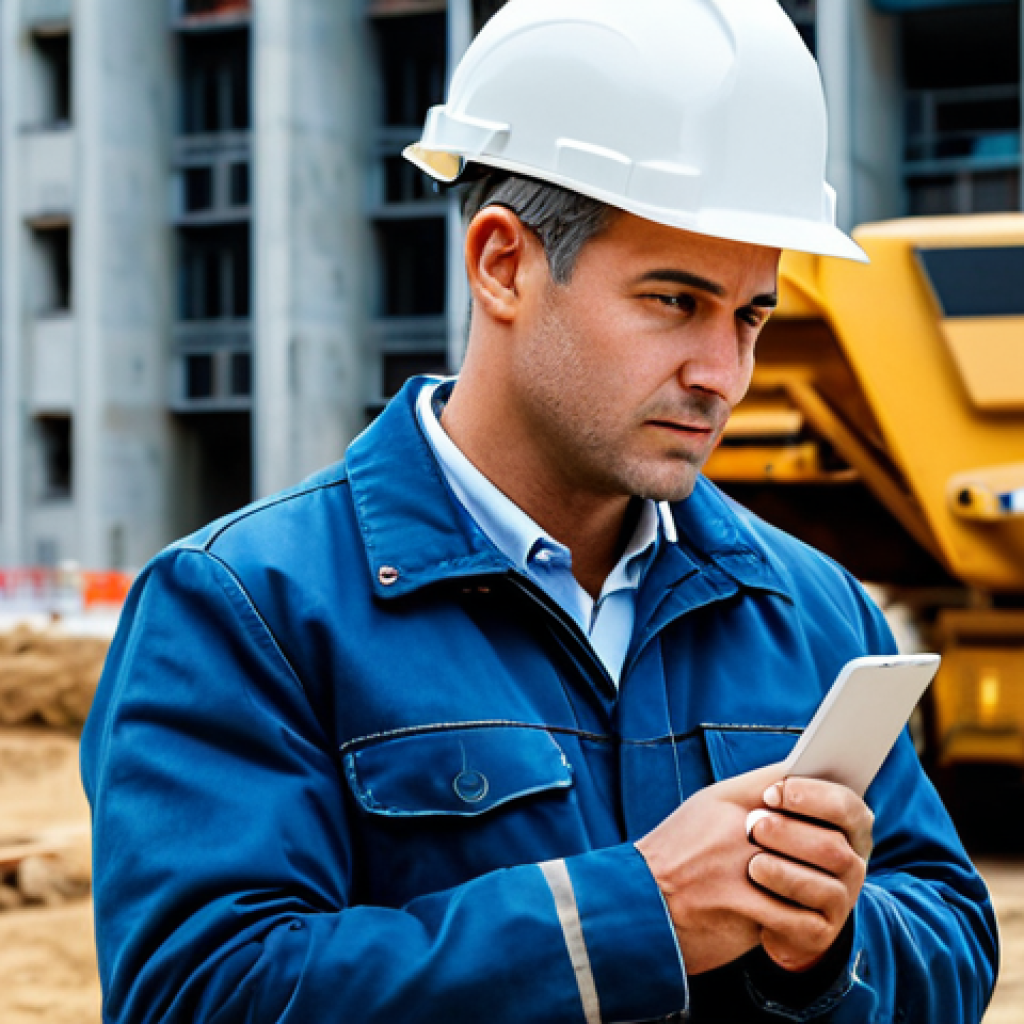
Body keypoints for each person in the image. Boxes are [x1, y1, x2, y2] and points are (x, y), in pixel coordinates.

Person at [82, 1, 998, 1021]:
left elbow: (950, 933)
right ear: (503, 263)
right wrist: (631, 915)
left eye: (749, 315)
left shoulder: (811, 607)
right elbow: (203, 993)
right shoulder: (245, 608)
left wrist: (830, 942)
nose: (721, 373)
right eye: (673, 301)